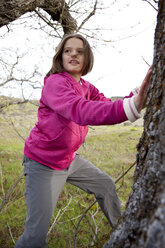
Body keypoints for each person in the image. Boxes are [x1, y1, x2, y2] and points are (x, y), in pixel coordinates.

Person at [15, 33, 152, 248]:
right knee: (35, 236)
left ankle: (125, 235)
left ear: (87, 58)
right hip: (44, 163)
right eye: (68, 51)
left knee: (105, 185)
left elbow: (105, 105)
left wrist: (136, 96)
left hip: (69, 160)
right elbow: (81, 111)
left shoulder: (86, 86)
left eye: (79, 51)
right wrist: (133, 105)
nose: (73, 55)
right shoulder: (55, 83)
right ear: (60, 57)